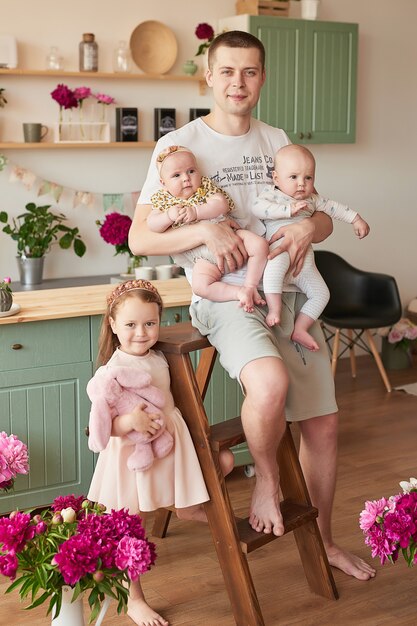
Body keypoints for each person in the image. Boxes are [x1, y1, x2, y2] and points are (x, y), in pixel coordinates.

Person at [129, 30, 375, 581]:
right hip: (224, 297)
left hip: (284, 291)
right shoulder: (179, 146)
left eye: (251, 71)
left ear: (262, 78)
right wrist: (210, 235)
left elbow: (318, 214)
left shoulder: (276, 137)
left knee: (325, 426)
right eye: (228, 71)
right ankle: (265, 480)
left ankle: (327, 540)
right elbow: (140, 239)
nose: (238, 82)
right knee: (268, 386)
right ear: (208, 77)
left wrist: (308, 227)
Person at [87, 279, 234, 626]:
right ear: (113, 325)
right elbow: (102, 426)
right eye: (131, 325)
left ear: (159, 321)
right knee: (129, 526)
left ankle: (192, 510)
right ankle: (134, 598)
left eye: (150, 323)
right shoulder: (111, 371)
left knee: (223, 464)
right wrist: (128, 421)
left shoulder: (160, 356)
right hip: (131, 456)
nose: (141, 332)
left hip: (170, 443)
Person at [253, 143, 370, 349]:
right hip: (280, 253)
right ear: (276, 178)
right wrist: (288, 210)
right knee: (271, 270)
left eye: (308, 178)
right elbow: (258, 209)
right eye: (294, 177)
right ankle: (274, 310)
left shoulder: (313, 200)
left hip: (304, 264)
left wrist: (356, 219)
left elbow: (336, 208)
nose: (302, 184)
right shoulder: (272, 195)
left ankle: (300, 328)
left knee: (322, 294)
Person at [148, 144, 269, 313]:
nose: (186, 178)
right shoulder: (164, 201)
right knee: (201, 287)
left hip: (231, 236)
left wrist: (196, 211)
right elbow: (152, 224)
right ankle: (238, 292)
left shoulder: (205, 190)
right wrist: (168, 216)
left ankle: (250, 285)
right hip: (203, 257)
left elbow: (221, 204)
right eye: (176, 175)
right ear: (163, 183)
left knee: (260, 245)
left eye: (191, 171)